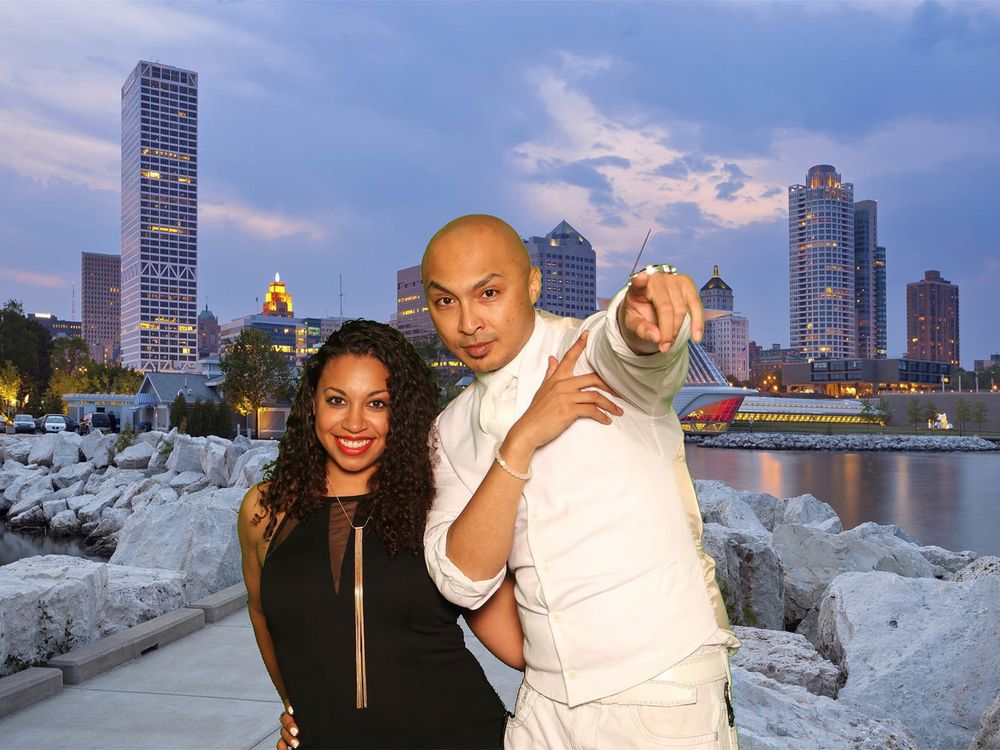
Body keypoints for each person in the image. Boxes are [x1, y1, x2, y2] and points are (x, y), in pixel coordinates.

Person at [418, 214, 742, 748]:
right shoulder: (448, 430)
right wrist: (520, 442)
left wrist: (645, 311)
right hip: (543, 707)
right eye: (445, 301)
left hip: (660, 692)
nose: (468, 322)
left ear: (533, 284)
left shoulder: (590, 349)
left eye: (489, 293)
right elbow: (461, 582)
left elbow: (632, 345)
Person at [239, 320, 521, 750]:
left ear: (400, 412)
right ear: (313, 404)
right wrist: (297, 706)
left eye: (377, 403)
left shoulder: (440, 505)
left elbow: (517, 646)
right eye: (337, 400)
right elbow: (261, 612)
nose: (354, 423)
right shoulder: (265, 510)